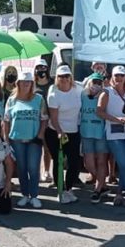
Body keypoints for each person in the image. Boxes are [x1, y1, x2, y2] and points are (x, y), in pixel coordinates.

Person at [3, 71, 48, 208]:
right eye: (23, 82)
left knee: (33, 168)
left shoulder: (39, 99)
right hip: (16, 139)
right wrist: (6, 138)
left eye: (28, 82)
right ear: (18, 83)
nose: (26, 84)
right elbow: (6, 120)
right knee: (22, 168)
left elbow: (44, 119)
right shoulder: (11, 99)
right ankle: (24, 195)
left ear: (32, 83)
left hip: (34, 139)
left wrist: (40, 135)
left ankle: (34, 195)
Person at [97, 66, 125, 206]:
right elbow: (99, 112)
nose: (119, 78)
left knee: (124, 164)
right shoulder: (106, 92)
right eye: (116, 76)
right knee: (124, 163)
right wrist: (116, 119)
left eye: (121, 75)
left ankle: (119, 193)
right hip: (114, 133)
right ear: (112, 77)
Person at [46, 64, 83, 204]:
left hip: (73, 131)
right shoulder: (53, 93)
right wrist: (60, 132)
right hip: (55, 131)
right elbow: (53, 118)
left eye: (67, 76)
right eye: (61, 76)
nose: (64, 79)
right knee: (59, 162)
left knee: (74, 162)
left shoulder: (78, 89)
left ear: (71, 77)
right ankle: (60, 191)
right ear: (57, 78)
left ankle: (68, 189)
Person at [81, 72, 110, 203]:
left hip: (100, 134)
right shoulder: (82, 95)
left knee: (101, 162)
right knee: (89, 164)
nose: (96, 85)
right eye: (94, 82)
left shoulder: (104, 96)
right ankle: (102, 184)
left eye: (99, 83)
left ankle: (97, 190)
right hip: (86, 133)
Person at [34, 59, 54, 184]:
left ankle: (46, 171)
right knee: (35, 147)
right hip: (35, 119)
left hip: (50, 119)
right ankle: (36, 171)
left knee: (47, 147)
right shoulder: (32, 84)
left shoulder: (52, 84)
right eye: (39, 67)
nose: (41, 70)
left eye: (43, 67)